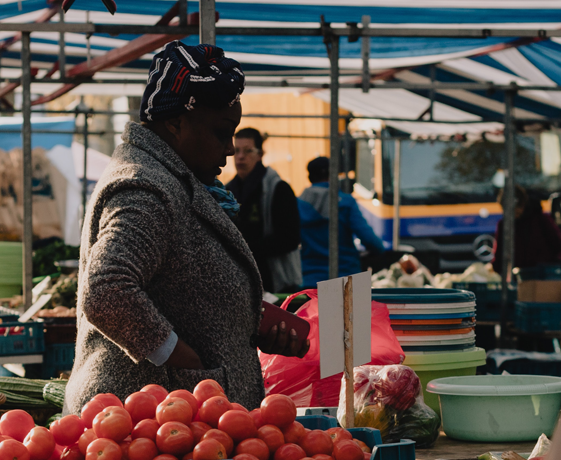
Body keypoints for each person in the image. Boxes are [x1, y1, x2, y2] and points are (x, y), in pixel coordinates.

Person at [66, 42, 307, 413]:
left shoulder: (171, 179)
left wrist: (246, 323)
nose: (229, 149)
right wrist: (184, 361)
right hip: (152, 418)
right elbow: (107, 291)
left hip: (176, 415)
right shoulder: (145, 187)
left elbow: (180, 287)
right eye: (222, 132)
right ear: (176, 123)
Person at [226, 128, 302, 293]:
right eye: (236, 150)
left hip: (276, 282)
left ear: (260, 154)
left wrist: (245, 249)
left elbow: (289, 238)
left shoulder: (278, 189)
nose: (240, 156)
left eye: (248, 151)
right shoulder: (227, 192)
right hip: (241, 282)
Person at [296, 156, 388, 288]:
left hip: (310, 280)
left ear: (310, 177)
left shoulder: (297, 204)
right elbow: (370, 240)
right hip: (346, 280)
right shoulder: (346, 203)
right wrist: (378, 250)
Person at [492, 184, 561, 275]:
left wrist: (553, 266)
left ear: (523, 205)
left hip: (545, 276)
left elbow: (560, 249)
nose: (514, 216)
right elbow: (498, 258)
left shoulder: (541, 219)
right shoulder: (504, 225)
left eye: (516, 211)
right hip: (520, 277)